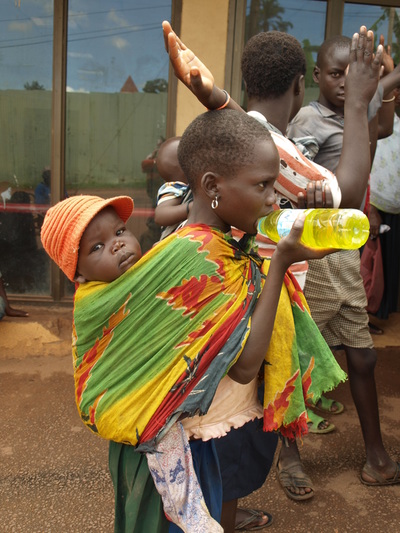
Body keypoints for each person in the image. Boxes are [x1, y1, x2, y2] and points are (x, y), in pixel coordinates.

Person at [40, 109, 345, 533]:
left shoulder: (223, 246)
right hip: (185, 440)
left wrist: (304, 232)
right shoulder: (195, 259)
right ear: (212, 187)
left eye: (274, 185)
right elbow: (244, 367)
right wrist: (279, 264)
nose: (273, 198)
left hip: (221, 424)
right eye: (262, 185)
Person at [162, 21, 386, 506]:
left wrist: (213, 94)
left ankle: (223, 507)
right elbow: (348, 195)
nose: (270, 195)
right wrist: (357, 103)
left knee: (228, 424)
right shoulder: (270, 147)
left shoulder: (250, 136)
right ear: (301, 86)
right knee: (234, 425)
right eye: (263, 187)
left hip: (245, 303)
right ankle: (221, 509)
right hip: (254, 307)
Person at [287, 35, 400, 487]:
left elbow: (384, 127)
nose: (343, 83)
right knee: (296, 356)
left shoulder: (356, 111)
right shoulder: (308, 121)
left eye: (351, 76)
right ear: (316, 76)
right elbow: (300, 184)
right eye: (336, 74)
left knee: (363, 356)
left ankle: (376, 457)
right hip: (314, 255)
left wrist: (382, 78)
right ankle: (288, 455)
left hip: (345, 252)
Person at [368, 87, 400, 321]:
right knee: (370, 267)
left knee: (388, 269)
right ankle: (367, 319)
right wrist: (371, 209)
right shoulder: (373, 126)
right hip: (374, 209)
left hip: (395, 209)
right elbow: (367, 170)